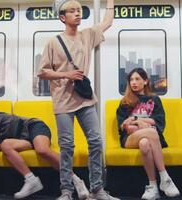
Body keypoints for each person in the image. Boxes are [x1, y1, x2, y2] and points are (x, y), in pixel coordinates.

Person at [37, 0, 119, 199]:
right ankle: (66, 191)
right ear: (62, 17)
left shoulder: (87, 35)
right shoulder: (53, 41)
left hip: (85, 99)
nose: (77, 13)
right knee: (67, 146)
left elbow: (107, 22)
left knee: (96, 141)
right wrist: (67, 74)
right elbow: (42, 72)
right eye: (72, 11)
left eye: (79, 10)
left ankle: (97, 188)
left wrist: (110, 2)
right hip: (63, 102)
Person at [0, 110, 89, 199]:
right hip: (24, 140)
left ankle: (76, 180)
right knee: (5, 145)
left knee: (41, 149)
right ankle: (31, 180)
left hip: (33, 127)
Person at [116, 68, 180, 200]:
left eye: (137, 79)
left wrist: (137, 120)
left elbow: (159, 122)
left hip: (151, 138)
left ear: (145, 81)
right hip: (129, 139)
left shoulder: (154, 99)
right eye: (131, 80)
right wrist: (142, 123)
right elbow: (125, 127)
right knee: (151, 131)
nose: (134, 82)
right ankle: (164, 177)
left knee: (145, 143)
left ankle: (153, 186)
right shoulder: (125, 102)